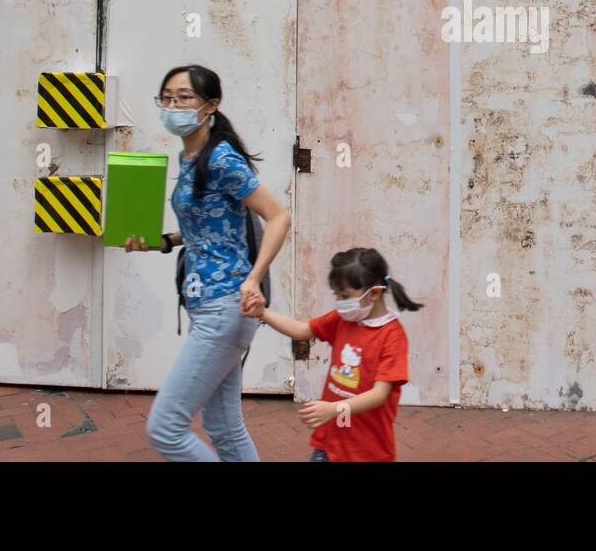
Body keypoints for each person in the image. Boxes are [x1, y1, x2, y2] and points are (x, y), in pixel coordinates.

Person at [129, 64, 292, 461]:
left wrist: (254, 279)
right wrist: (163, 242)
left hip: (226, 303)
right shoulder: (192, 157)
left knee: (166, 427)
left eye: (184, 97)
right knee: (223, 427)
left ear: (210, 105)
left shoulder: (221, 159)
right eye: (166, 98)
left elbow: (278, 216)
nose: (173, 105)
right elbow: (209, 225)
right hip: (209, 305)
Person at [242, 247, 420, 461]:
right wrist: (263, 313)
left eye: (345, 296)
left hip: (368, 450)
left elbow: (379, 394)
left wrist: (333, 409)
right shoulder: (343, 319)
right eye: (337, 295)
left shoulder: (392, 336)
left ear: (374, 293)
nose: (340, 302)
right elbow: (301, 330)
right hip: (330, 443)